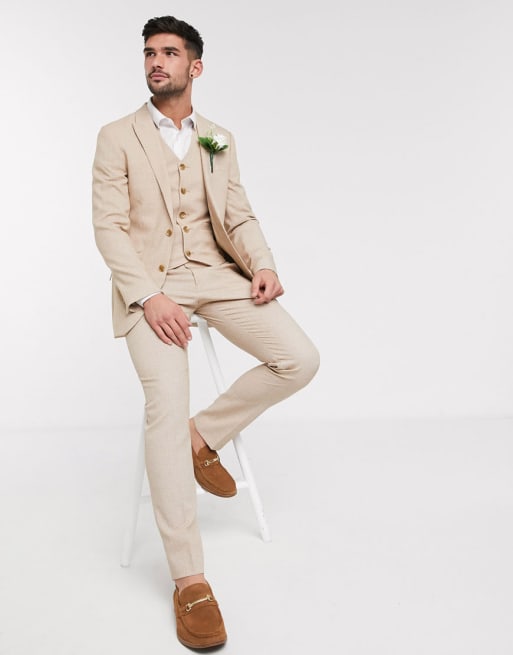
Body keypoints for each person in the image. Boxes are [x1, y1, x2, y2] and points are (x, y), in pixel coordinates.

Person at [92, 15, 319, 650]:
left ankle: (205, 435)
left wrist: (263, 264)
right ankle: (189, 579)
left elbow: (238, 213)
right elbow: (108, 227)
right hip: (151, 284)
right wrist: (149, 295)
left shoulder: (218, 138)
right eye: (149, 52)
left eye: (169, 52)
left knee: (299, 358)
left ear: (195, 66)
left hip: (217, 276)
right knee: (165, 407)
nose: (155, 61)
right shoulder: (116, 136)